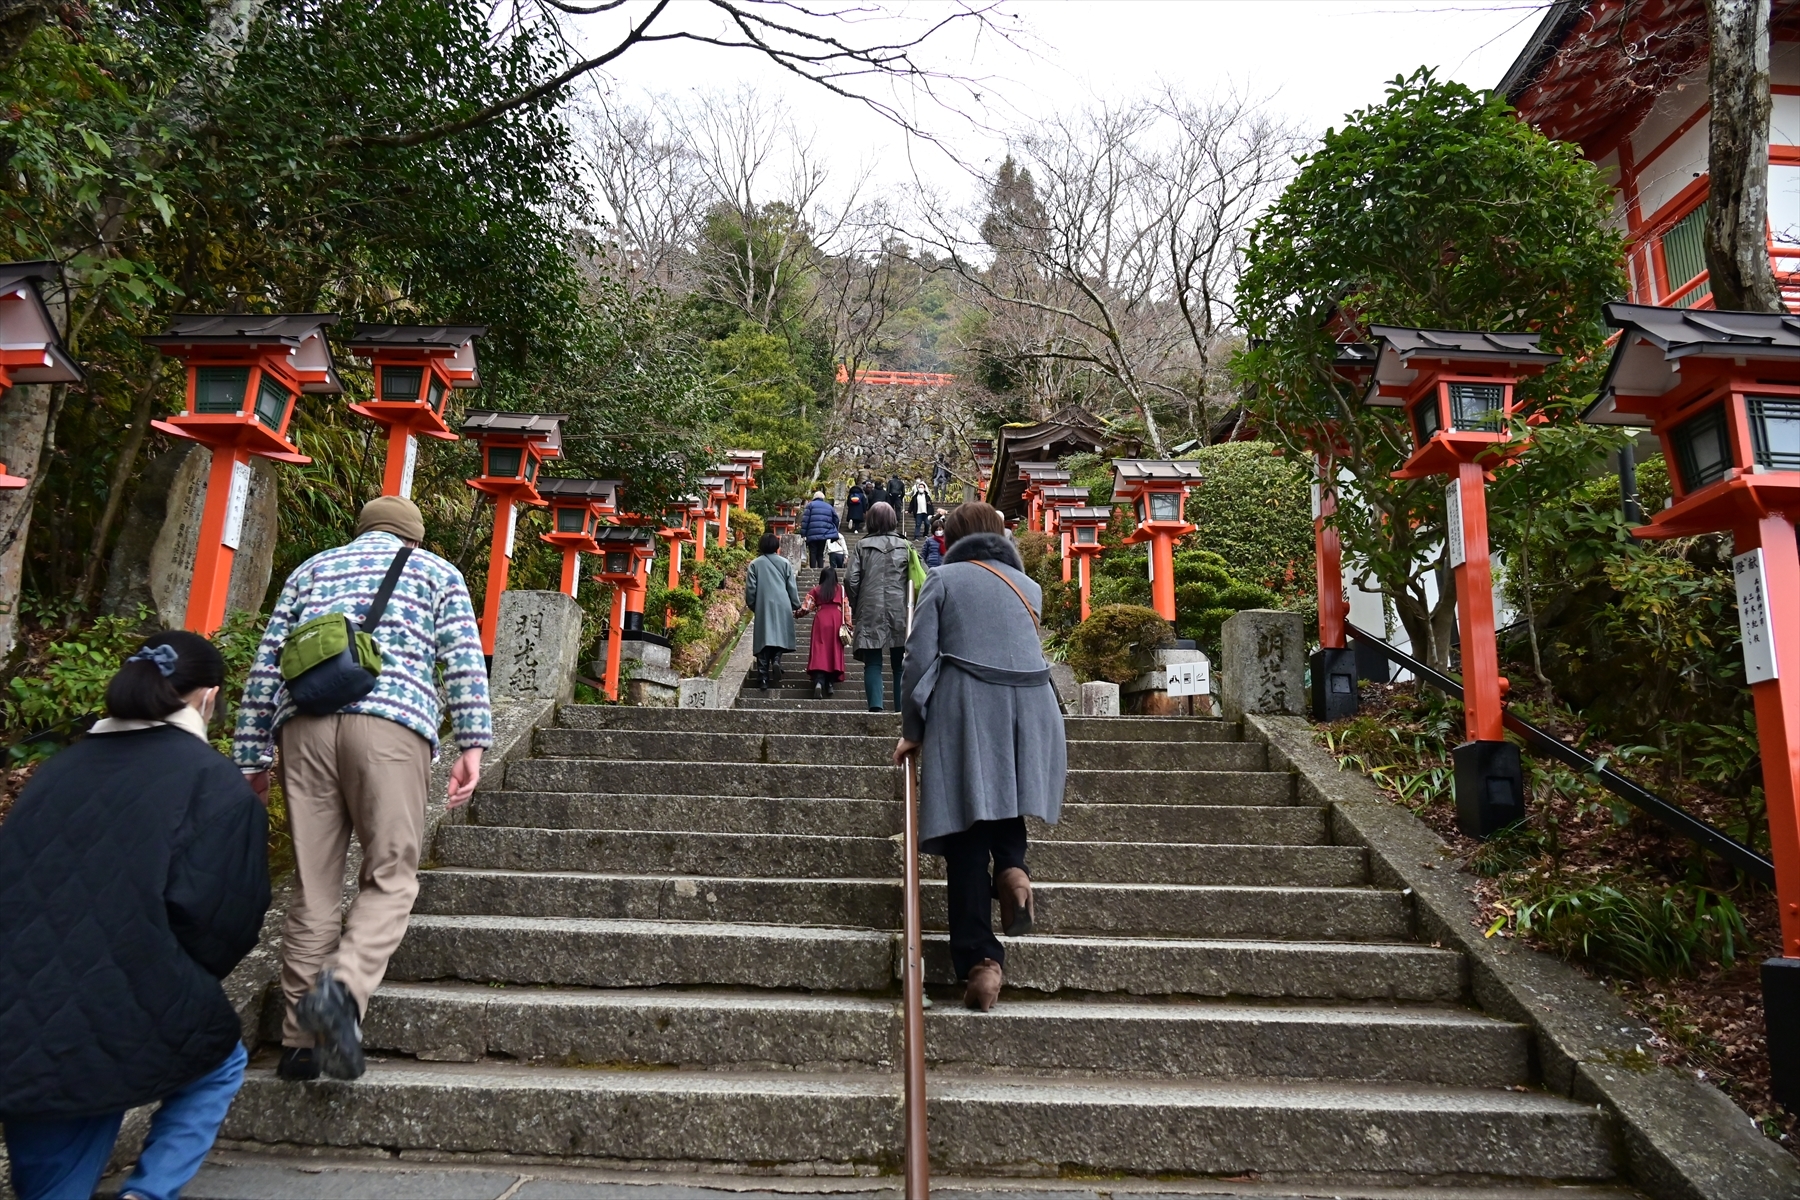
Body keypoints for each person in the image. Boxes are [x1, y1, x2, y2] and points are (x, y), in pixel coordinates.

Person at [0, 631, 271, 1200]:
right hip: (128, 993)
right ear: (208, 697)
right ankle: (146, 1192)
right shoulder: (214, 783)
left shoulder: (58, 768)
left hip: (19, 1004)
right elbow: (221, 922)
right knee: (218, 1059)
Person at [234, 495, 491, 1083]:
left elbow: (268, 665)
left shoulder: (312, 569)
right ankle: (343, 989)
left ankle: (300, 1045)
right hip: (391, 727)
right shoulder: (435, 572)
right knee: (390, 875)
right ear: (413, 537)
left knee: (314, 887)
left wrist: (251, 757)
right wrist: (473, 742)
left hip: (304, 728)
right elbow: (461, 658)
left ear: (361, 531)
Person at [895, 502, 1067, 1013]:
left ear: (950, 539)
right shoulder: (1028, 587)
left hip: (969, 703)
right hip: (1032, 706)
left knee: (967, 830)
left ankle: (981, 961)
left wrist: (912, 730)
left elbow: (917, 658)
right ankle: (1013, 868)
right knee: (1005, 795)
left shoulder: (943, 579)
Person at [845, 501, 912, 713]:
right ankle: (900, 711)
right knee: (900, 664)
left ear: (870, 520)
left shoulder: (861, 546)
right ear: (893, 520)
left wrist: (857, 604)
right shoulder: (906, 546)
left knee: (873, 662)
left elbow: (850, 579)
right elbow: (920, 577)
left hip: (870, 607)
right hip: (900, 608)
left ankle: (875, 708)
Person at [746, 529, 801, 691]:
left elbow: (751, 589)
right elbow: (791, 587)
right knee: (780, 635)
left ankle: (763, 677)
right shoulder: (785, 563)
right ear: (777, 546)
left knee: (763, 639)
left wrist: (754, 605)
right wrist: (795, 604)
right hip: (782, 603)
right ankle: (776, 659)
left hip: (764, 604)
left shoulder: (755, 564)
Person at [800, 564, 849, 699]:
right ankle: (830, 683)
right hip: (836, 620)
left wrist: (797, 614)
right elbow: (846, 609)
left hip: (821, 620)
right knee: (833, 650)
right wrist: (849, 625)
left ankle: (819, 681)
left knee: (819, 650)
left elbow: (806, 607)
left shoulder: (816, 590)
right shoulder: (841, 590)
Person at [799, 488, 840, 569]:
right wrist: (832, 529)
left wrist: (803, 534)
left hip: (812, 533)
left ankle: (813, 569)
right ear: (823, 498)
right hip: (824, 533)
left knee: (813, 552)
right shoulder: (829, 506)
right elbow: (836, 519)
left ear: (814, 497)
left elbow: (805, 520)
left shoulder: (810, 505)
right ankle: (821, 569)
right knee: (820, 552)